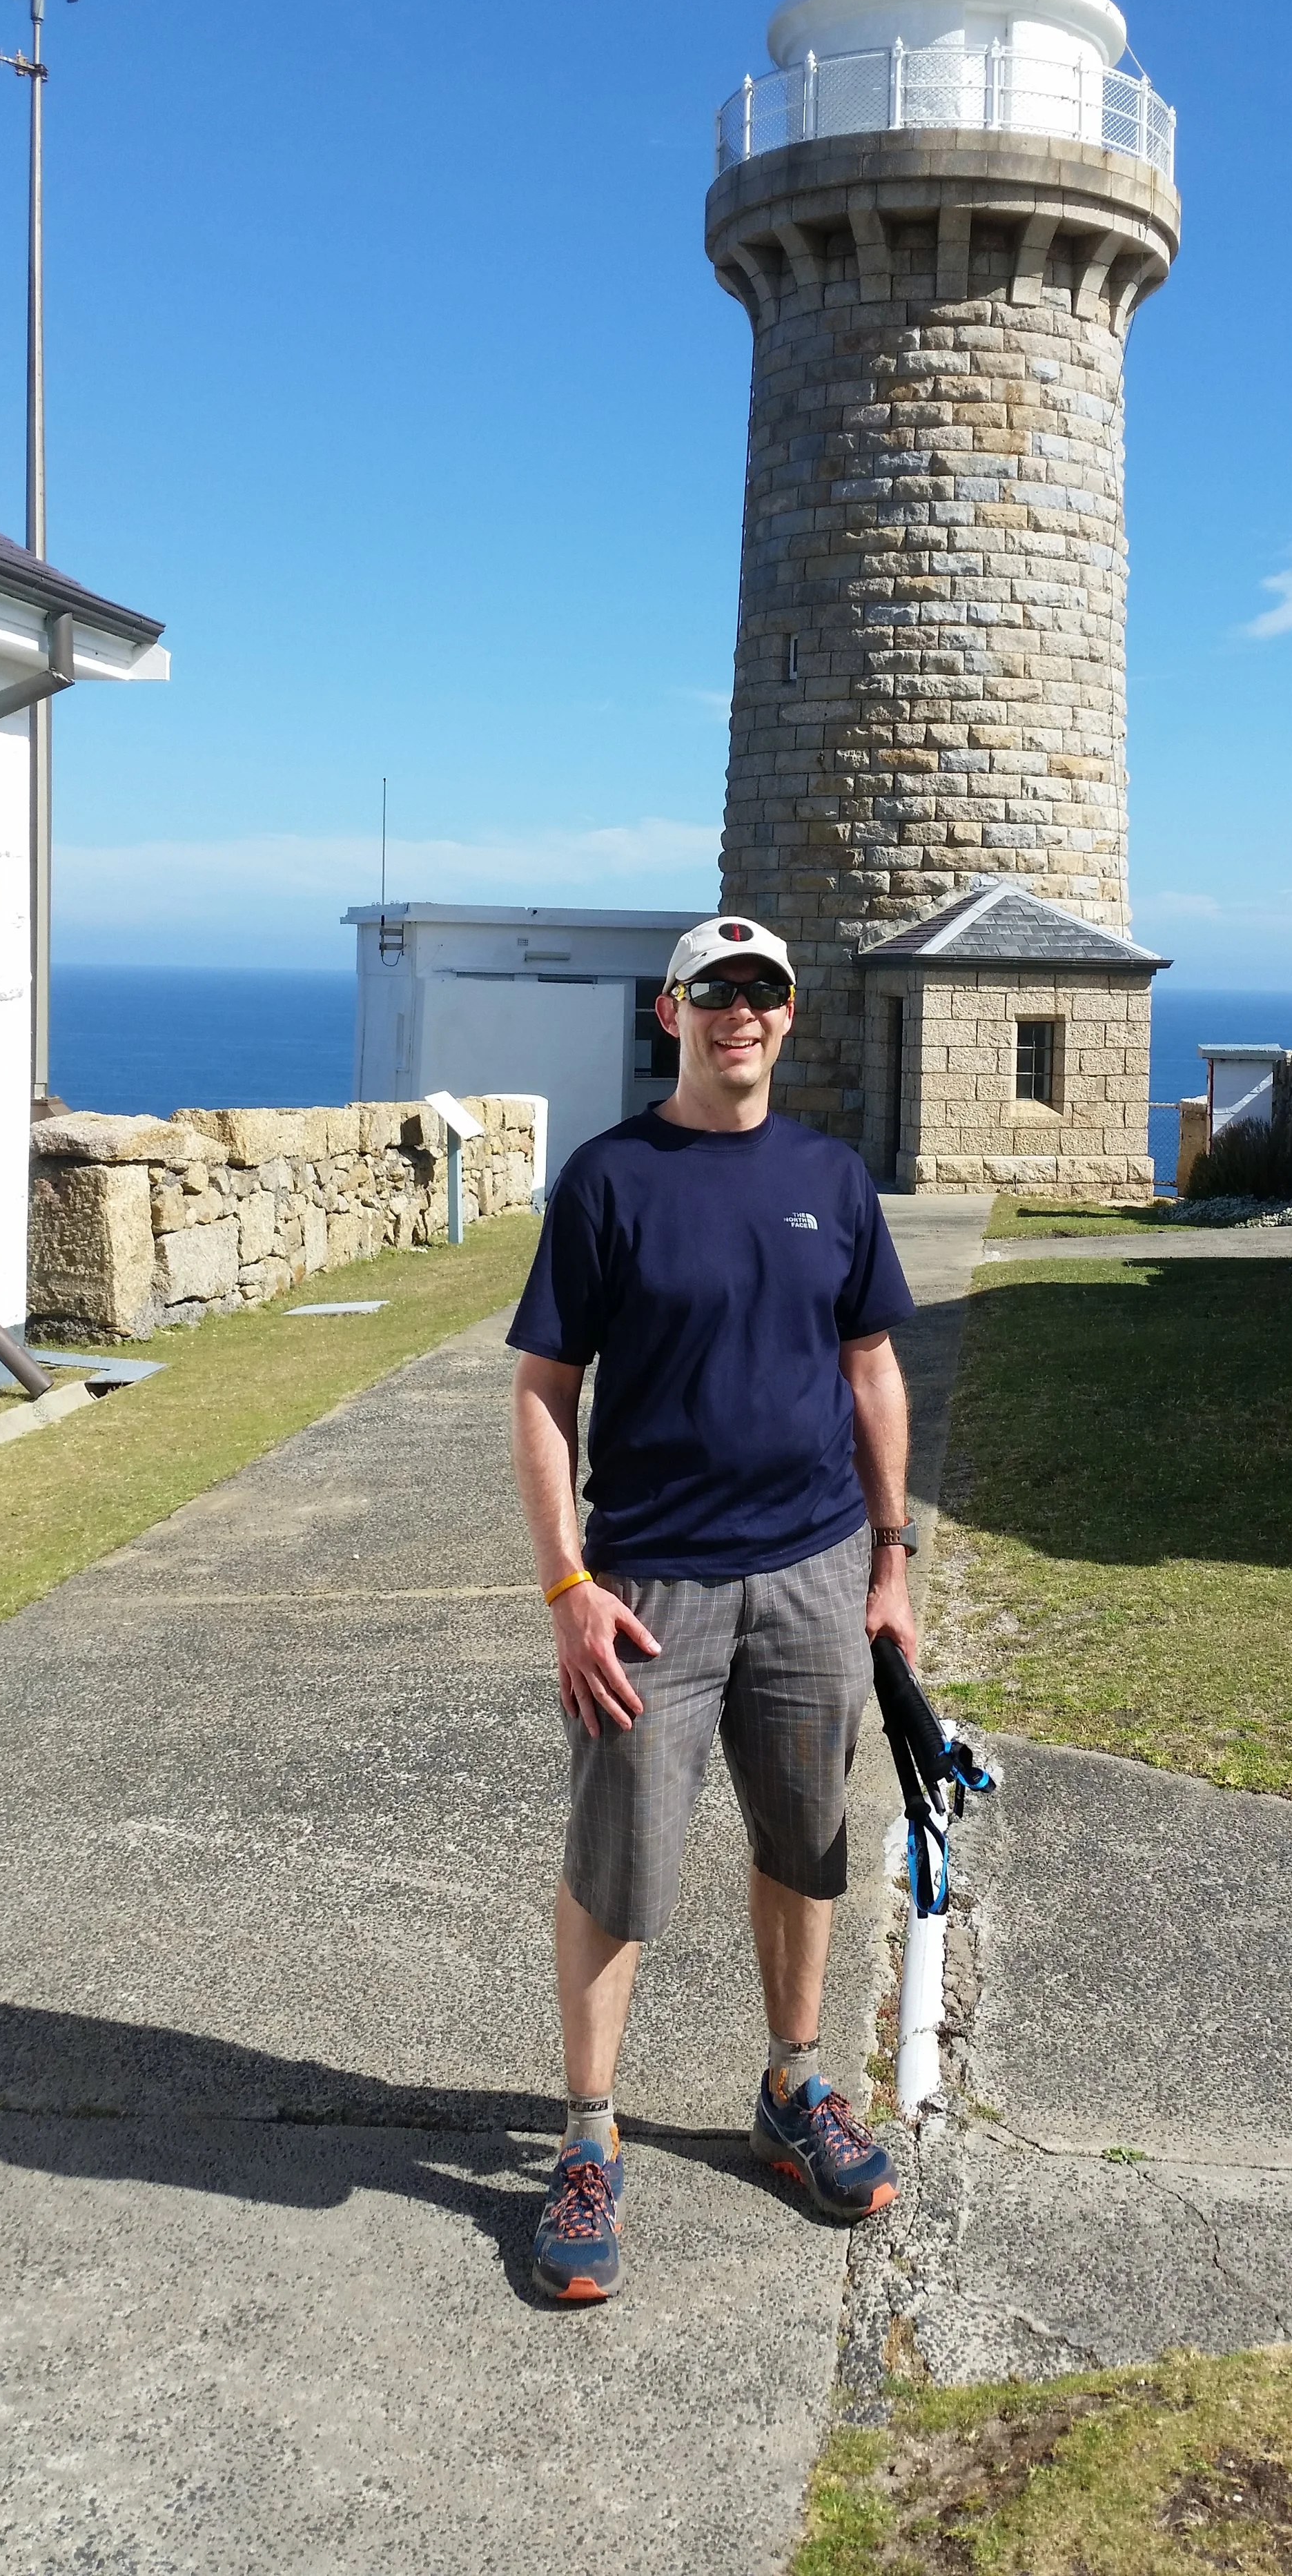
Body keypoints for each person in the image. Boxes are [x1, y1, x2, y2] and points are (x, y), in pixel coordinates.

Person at [507, 914, 919, 2304]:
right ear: (669, 1010)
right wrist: (567, 1582)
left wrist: (890, 1560)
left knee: (806, 1845)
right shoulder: (610, 1177)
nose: (736, 1011)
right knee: (618, 1862)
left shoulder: (830, 1175)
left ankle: (794, 2087)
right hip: (648, 1585)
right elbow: (541, 1391)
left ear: (788, 1015)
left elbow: (870, 1368)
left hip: (809, 1572)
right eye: (711, 991)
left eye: (761, 991)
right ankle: (583, 2138)